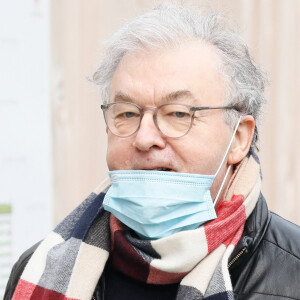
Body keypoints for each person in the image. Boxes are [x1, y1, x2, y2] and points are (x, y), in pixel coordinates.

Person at [5, 3, 300, 300]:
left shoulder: (292, 273)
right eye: (128, 113)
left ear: (238, 138)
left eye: (178, 114)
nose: (145, 138)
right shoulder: (39, 269)